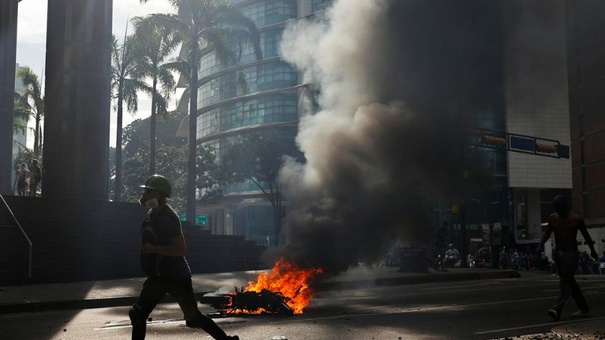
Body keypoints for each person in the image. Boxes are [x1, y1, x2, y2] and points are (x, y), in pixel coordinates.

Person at [129, 174, 239, 340]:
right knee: (138, 315)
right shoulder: (152, 215)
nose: (145, 196)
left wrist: (153, 249)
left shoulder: (168, 219)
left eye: (149, 193)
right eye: (145, 192)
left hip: (177, 278)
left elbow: (181, 249)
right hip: (157, 277)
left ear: (159, 195)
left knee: (193, 318)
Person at [536, 195, 598, 321]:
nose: (559, 210)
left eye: (561, 208)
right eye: (557, 208)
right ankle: (584, 308)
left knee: (566, 281)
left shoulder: (576, 219)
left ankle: (557, 308)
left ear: (566, 207)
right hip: (558, 252)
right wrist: (540, 245)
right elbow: (547, 232)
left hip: (571, 252)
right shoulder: (553, 219)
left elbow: (586, 236)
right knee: (569, 281)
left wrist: (592, 251)